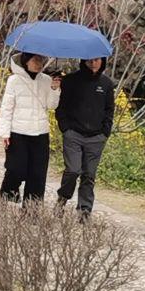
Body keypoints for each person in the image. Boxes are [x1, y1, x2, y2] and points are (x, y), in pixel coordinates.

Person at [56, 56, 116, 216]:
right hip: (73, 134)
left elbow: (109, 110)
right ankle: (62, 200)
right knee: (73, 170)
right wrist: (65, 128)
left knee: (89, 174)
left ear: (102, 61)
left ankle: (84, 210)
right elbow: (61, 107)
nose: (94, 63)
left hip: (96, 137)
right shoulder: (71, 80)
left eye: (97, 60)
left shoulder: (106, 84)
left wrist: (105, 132)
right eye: (90, 60)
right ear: (84, 61)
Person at [0, 52, 61, 203]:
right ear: (26, 61)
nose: (39, 62)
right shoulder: (14, 80)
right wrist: (5, 133)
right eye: (35, 59)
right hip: (18, 132)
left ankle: (32, 211)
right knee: (15, 169)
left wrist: (54, 89)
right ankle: (8, 198)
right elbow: (7, 108)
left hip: (40, 133)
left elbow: (52, 105)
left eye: (41, 59)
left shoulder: (46, 80)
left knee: (37, 175)